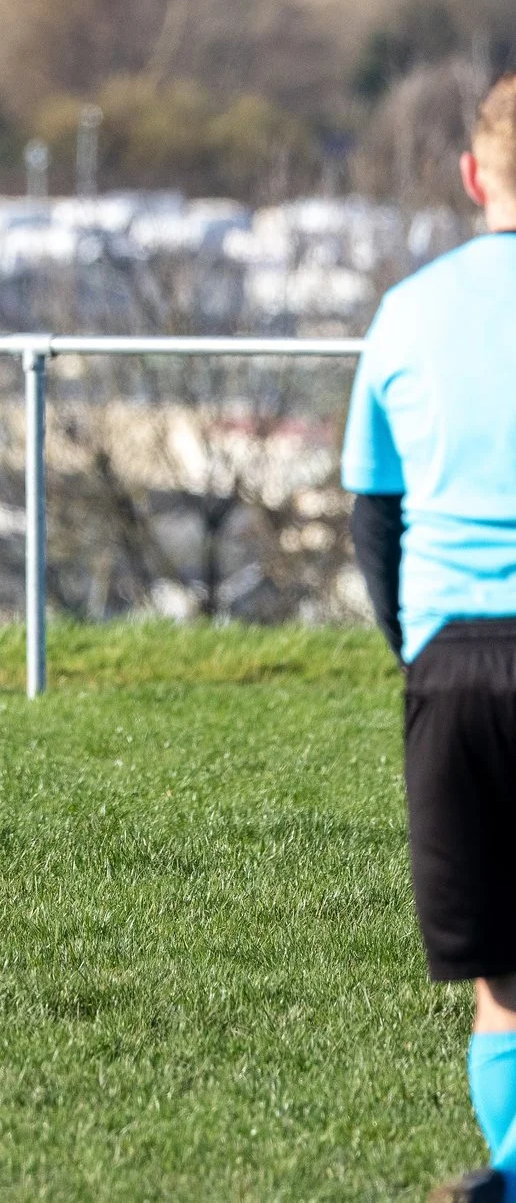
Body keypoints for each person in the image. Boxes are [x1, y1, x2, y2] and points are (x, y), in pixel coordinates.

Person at [343, 75, 516, 1203]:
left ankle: (509, 1164)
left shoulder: (409, 307)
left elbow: (372, 508)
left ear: (471, 175)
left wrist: (419, 647)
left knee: (501, 974)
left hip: (455, 667)